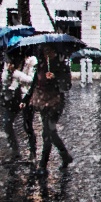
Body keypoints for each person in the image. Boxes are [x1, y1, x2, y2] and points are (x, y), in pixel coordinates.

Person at [28, 45, 73, 177]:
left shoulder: (61, 66)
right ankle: (65, 155)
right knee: (51, 133)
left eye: (49, 51)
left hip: (56, 103)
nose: (47, 54)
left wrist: (55, 78)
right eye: (44, 51)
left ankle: (43, 165)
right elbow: (34, 84)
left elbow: (67, 85)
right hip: (42, 102)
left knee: (47, 133)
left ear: (55, 51)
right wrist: (26, 99)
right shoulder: (41, 65)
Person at [2, 52, 37, 161]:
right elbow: (4, 81)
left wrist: (15, 72)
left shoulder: (32, 60)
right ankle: (15, 151)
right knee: (7, 123)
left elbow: (31, 80)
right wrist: (8, 71)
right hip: (12, 97)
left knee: (27, 126)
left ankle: (33, 152)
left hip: (26, 97)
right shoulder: (9, 61)